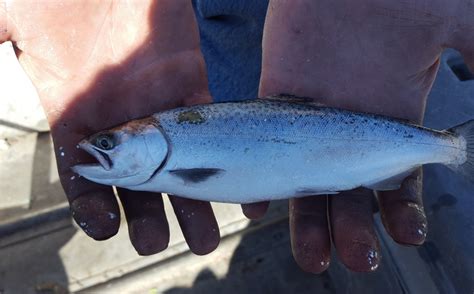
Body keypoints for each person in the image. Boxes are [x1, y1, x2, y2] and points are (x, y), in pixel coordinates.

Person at [1, 0, 473, 273]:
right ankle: (449, 148)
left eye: (109, 144)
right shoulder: (171, 141)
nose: (98, 148)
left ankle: (453, 148)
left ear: (146, 137)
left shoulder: (175, 154)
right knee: (229, 73)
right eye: (106, 144)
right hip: (194, 18)